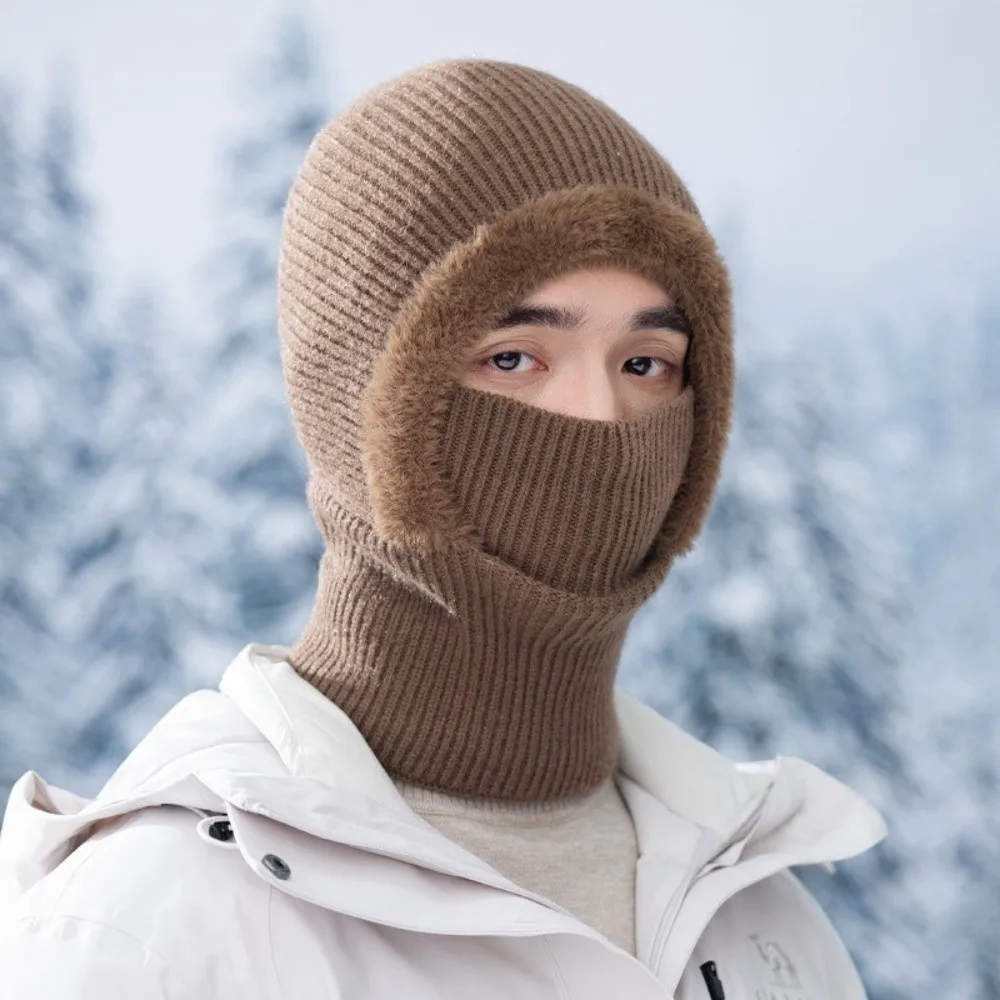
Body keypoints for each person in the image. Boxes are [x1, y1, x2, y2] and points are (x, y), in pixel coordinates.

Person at [0, 59, 885, 999]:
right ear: (360, 405)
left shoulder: (760, 918)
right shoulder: (157, 931)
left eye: (647, 362)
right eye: (514, 356)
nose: (599, 420)